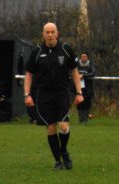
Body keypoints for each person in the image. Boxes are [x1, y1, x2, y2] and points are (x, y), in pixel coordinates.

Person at [24, 22, 84, 170]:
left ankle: (63, 150)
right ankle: (58, 161)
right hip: (43, 95)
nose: (50, 35)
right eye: (47, 32)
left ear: (57, 33)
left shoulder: (66, 49)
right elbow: (29, 74)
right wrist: (27, 95)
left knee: (63, 127)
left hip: (62, 94)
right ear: (43, 34)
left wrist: (79, 93)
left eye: (52, 32)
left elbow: (74, 71)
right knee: (51, 128)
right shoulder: (37, 51)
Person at [76, 52, 95, 124]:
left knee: (87, 103)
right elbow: (72, 73)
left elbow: (93, 73)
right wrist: (78, 76)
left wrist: (83, 76)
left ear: (87, 57)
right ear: (80, 57)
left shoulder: (91, 65)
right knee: (79, 103)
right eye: (82, 56)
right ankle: (80, 120)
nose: (84, 58)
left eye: (85, 56)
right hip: (79, 88)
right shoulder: (77, 65)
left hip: (88, 88)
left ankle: (85, 120)